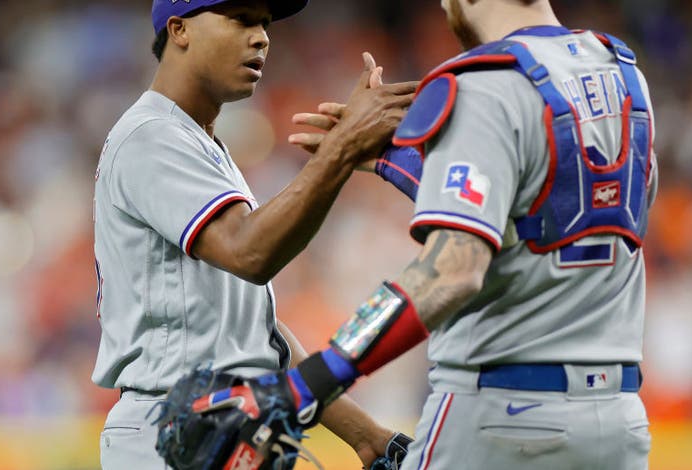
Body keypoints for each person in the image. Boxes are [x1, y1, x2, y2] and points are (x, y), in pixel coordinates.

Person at [202, 0, 660, 469]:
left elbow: (452, 271)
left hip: (500, 417)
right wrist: (397, 163)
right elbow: (549, 211)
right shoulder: (624, 73)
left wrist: (308, 383)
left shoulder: (485, 82)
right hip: (618, 421)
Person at [91, 0, 418, 468]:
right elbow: (251, 252)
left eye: (263, 23)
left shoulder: (198, 144)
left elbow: (255, 338)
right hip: (172, 433)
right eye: (240, 19)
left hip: (215, 428)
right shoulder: (151, 135)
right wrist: (342, 150)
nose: (261, 36)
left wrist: (366, 436)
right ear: (180, 30)